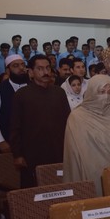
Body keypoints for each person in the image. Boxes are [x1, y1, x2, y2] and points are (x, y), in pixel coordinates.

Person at [10, 54, 70, 187]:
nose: (45, 72)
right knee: (34, 192)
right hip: (32, 154)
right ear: (31, 72)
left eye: (48, 68)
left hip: (58, 151)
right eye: (40, 68)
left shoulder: (59, 92)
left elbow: (68, 122)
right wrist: (17, 155)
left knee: (59, 188)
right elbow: (15, 127)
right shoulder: (21, 95)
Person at [62, 74, 110, 195]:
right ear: (91, 92)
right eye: (101, 92)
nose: (106, 96)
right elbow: (73, 156)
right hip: (88, 175)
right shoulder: (77, 117)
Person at [0, 54, 28, 154]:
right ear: (8, 71)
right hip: (8, 143)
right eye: (16, 66)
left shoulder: (33, 86)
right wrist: (0, 141)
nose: (21, 68)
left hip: (32, 142)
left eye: (23, 65)